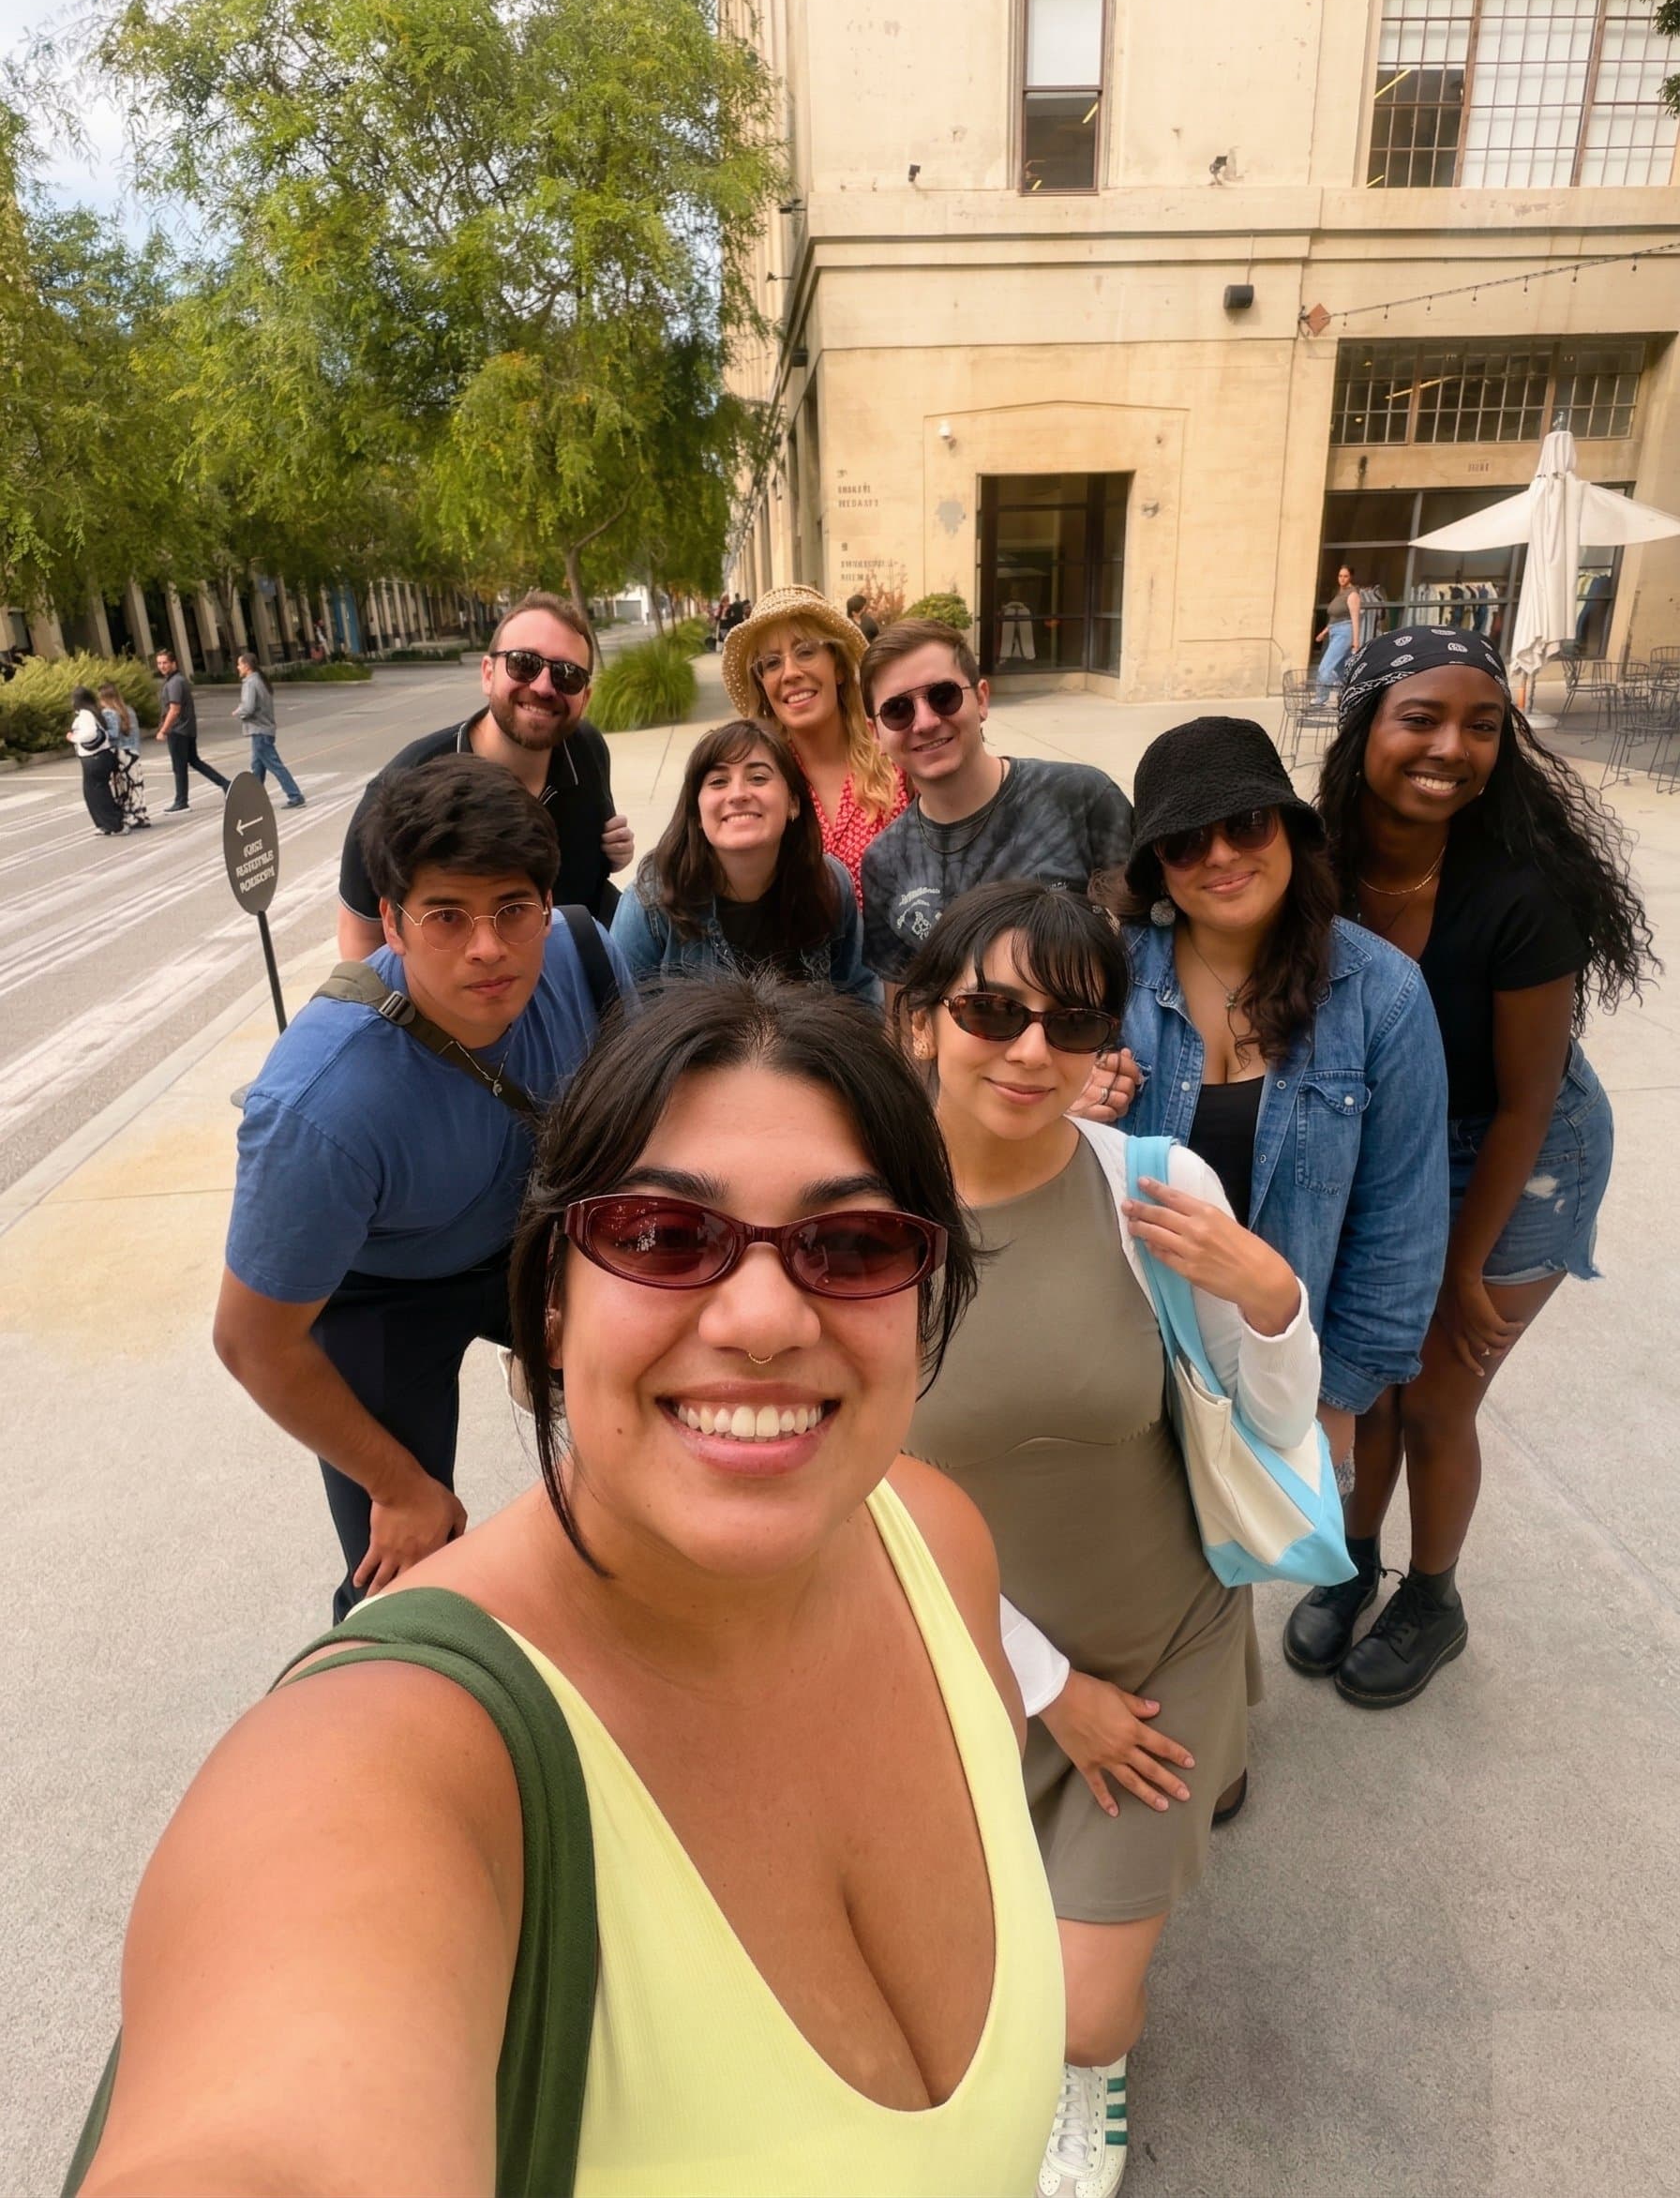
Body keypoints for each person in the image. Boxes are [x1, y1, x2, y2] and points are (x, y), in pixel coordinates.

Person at [69, 978, 1068, 2198]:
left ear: (925, 1301)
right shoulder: (384, 1765)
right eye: (661, 1234)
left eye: (851, 1245)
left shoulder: (938, 1539)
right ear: (551, 1303)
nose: (762, 1316)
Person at [895, 880, 1319, 2198]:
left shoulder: (1153, 1185)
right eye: (992, 1010)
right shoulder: (858, 1228)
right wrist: (1044, 1688)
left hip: (1160, 1647)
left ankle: (1093, 2074)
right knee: (956, 1973)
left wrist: (1271, 1303)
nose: (1031, 1049)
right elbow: (865, 1500)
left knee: (1081, 2014)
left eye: (1070, 1022)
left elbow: (1263, 1425)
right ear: (920, 1022)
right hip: (958, 1661)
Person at [1312, 628, 1654, 1704]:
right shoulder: (1311, 862)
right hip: (1388, 1137)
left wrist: (1457, 1269)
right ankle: (1350, 1562)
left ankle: (1434, 1595)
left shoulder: (1520, 891)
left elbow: (1526, 1098)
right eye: (1421, 717)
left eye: (1483, 725)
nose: (1452, 746)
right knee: (1364, 1380)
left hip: (1521, 1149)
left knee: (1433, 1397)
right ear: (1363, 723)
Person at [214, 755, 634, 1621]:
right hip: (386, 1292)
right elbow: (252, 1342)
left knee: (659, 1405)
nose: (487, 947)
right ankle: (374, 1696)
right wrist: (397, 1484)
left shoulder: (583, 957)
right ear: (392, 927)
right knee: (406, 1562)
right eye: (446, 914)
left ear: (546, 905)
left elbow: (649, 1134)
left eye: (513, 909)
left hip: (535, 1233)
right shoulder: (320, 1107)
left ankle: (630, 1602)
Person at [1097, 716, 1448, 1559]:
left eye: (1246, 824)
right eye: (1185, 841)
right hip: (1124, 1363)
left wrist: (1338, 1404)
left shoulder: (1383, 996)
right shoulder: (1099, 977)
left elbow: (1400, 1228)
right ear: (1157, 869)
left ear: (1289, 831)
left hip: (1284, 1361)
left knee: (1244, 1556)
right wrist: (1058, 1104)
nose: (1220, 856)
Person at [337, 591, 633, 957]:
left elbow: (591, 864)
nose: (543, 686)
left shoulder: (586, 749)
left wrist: (612, 854)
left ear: (584, 698)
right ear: (488, 673)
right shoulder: (407, 781)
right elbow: (361, 937)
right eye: (524, 664)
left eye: (567, 675)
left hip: (572, 995)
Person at [858, 619, 1134, 986]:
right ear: (874, 733)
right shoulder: (884, 861)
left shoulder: (1082, 800)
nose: (924, 722)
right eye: (897, 710)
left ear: (982, 699)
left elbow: (1144, 953)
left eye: (943, 696)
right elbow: (903, 1005)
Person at [611, 718, 878, 1001]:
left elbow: (861, 1004)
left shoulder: (830, 885)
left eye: (758, 778)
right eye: (718, 782)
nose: (738, 794)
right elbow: (621, 1026)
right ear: (697, 814)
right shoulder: (650, 903)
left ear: (793, 802)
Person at [723, 582, 908, 901]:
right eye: (771, 663)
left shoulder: (896, 750)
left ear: (836, 665)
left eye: (805, 651)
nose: (790, 673)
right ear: (763, 684)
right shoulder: (756, 781)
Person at [153, 646, 231, 812]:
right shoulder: (176, 680)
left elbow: (174, 709)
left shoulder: (175, 683)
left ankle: (181, 801)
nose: (162, 666)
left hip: (179, 731)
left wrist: (163, 730)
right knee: (194, 761)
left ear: (174, 663)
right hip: (187, 729)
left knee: (179, 766)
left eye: (165, 662)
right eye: (159, 663)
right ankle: (225, 784)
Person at [233, 647, 306, 806]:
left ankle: (295, 795)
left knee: (275, 765)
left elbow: (249, 707)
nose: (237, 668)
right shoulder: (260, 680)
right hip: (264, 730)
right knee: (257, 767)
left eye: (239, 665)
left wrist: (238, 712)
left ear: (246, 666)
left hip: (260, 731)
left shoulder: (251, 683)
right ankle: (254, 798)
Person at [67, 685, 125, 836]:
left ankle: (114, 825)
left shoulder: (86, 714)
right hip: (99, 757)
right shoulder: (93, 712)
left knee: (98, 793)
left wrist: (73, 738)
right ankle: (105, 824)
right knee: (94, 793)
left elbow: (90, 734)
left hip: (94, 758)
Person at [98, 681, 150, 830]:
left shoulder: (108, 712)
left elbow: (113, 735)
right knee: (136, 785)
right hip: (133, 752)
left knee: (122, 786)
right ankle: (140, 815)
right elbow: (136, 733)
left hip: (120, 753)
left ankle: (128, 816)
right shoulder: (129, 710)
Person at [1312, 565, 1361, 704]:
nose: (1342, 579)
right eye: (1340, 576)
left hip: (1345, 632)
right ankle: (1351, 693)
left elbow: (1355, 618)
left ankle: (1321, 697)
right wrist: (1323, 633)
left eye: (1345, 576)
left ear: (1350, 577)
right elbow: (1334, 618)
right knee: (1341, 669)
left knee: (1325, 666)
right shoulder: (1340, 593)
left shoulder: (1353, 595)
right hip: (1334, 631)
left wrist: (1356, 642)